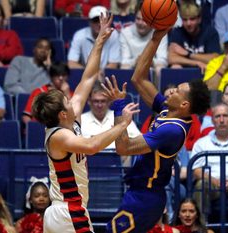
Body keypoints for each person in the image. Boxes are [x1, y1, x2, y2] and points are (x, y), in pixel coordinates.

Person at [31, 13, 138, 233]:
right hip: (67, 211)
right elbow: (92, 146)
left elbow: (88, 78)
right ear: (62, 114)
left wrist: (99, 41)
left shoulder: (70, 117)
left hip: (68, 210)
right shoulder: (59, 136)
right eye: (66, 101)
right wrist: (121, 125)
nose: (71, 99)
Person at [103, 28, 211, 232]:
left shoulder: (172, 130)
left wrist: (118, 106)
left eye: (178, 91)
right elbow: (139, 78)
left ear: (185, 105)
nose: (172, 91)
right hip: (142, 193)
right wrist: (156, 38)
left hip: (146, 197)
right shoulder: (167, 109)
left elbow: (124, 148)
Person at [81, 81, 141, 166]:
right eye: (96, 101)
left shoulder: (121, 118)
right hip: (89, 168)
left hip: (118, 168)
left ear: (109, 101)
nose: (99, 105)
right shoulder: (81, 119)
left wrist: (124, 138)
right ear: (89, 101)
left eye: (103, 101)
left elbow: (139, 139)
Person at [119, 6, 167, 83]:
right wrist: (136, 61)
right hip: (133, 67)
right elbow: (124, 61)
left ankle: (158, 93)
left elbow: (163, 60)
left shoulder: (160, 32)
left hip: (152, 67)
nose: (141, 23)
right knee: (124, 68)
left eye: (145, 20)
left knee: (160, 68)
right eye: (138, 19)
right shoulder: (125, 32)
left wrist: (150, 61)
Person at [168, 1, 220, 72]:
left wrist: (188, 54)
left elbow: (215, 58)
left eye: (192, 19)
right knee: (175, 66)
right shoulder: (177, 32)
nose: (188, 23)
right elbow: (171, 58)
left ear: (199, 19)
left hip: (205, 70)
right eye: (185, 20)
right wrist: (196, 63)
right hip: (185, 70)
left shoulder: (210, 32)